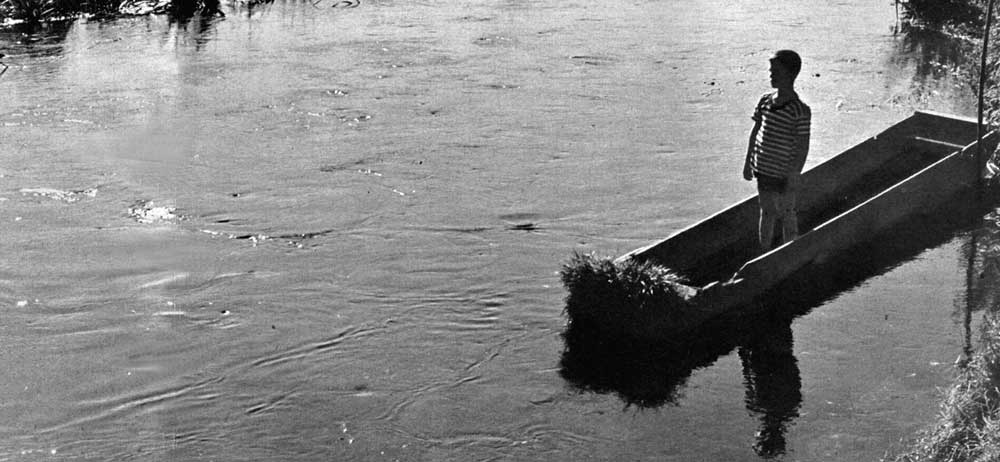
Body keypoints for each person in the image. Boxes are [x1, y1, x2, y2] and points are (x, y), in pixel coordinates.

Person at [743, 50, 811, 252]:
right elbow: (756, 131)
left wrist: (795, 173)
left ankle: (789, 249)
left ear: (790, 75)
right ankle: (764, 250)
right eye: (771, 71)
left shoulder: (799, 109)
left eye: (776, 72)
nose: (771, 75)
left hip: (784, 172)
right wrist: (748, 162)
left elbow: (803, 146)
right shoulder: (765, 101)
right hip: (763, 169)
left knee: (787, 211)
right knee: (767, 211)